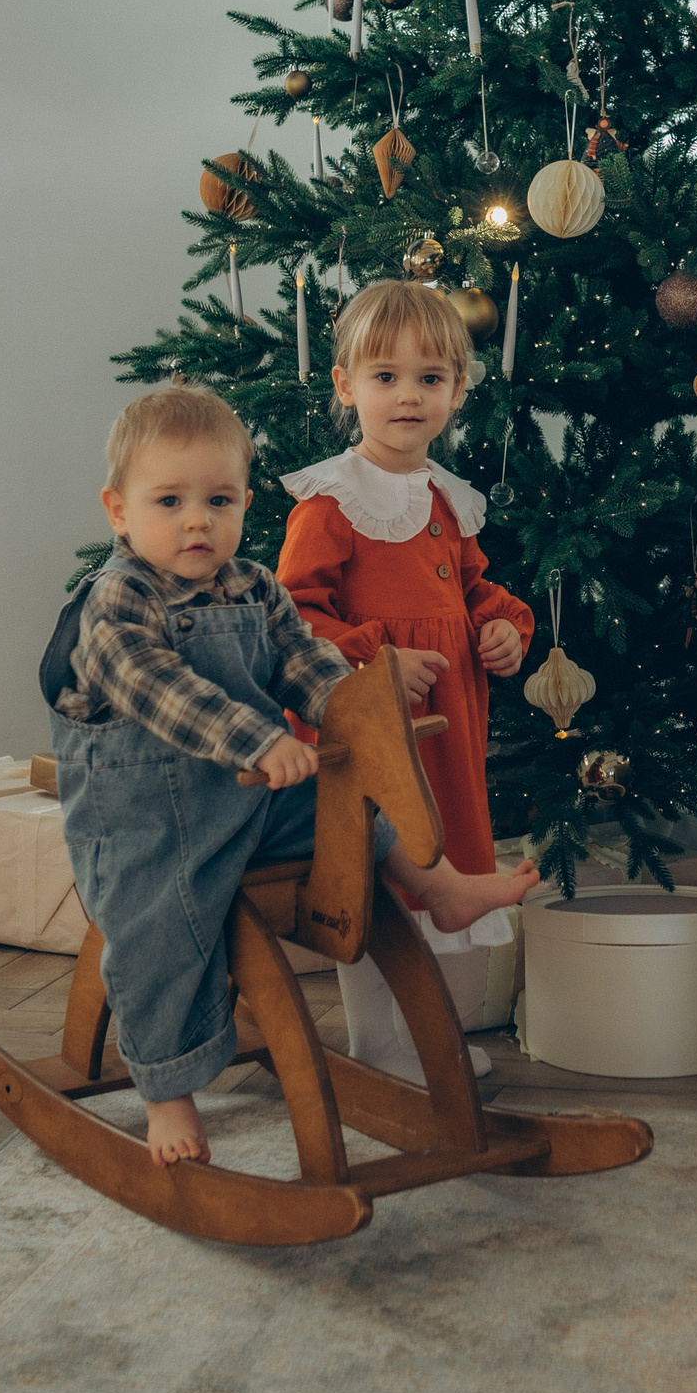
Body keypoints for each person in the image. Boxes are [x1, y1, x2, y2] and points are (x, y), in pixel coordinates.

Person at [43, 383, 535, 1168]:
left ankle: (440, 888)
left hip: (244, 798)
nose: (197, 519)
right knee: (155, 935)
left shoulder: (253, 585)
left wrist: (354, 709)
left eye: (219, 498)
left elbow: (303, 659)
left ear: (243, 504)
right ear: (118, 510)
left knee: (353, 807)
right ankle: (167, 1094)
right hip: (147, 816)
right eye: (168, 500)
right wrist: (258, 739)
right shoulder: (118, 601)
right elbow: (158, 686)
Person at [277, 281, 536, 1085]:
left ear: (458, 391)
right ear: (346, 385)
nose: (408, 395)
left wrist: (504, 629)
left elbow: (472, 592)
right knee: (380, 873)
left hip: (444, 726)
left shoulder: (446, 502)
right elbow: (291, 616)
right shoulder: (330, 501)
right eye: (385, 376)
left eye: (430, 377)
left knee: (441, 859)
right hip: (367, 728)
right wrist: (377, 656)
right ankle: (378, 1045)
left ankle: (428, 1034)